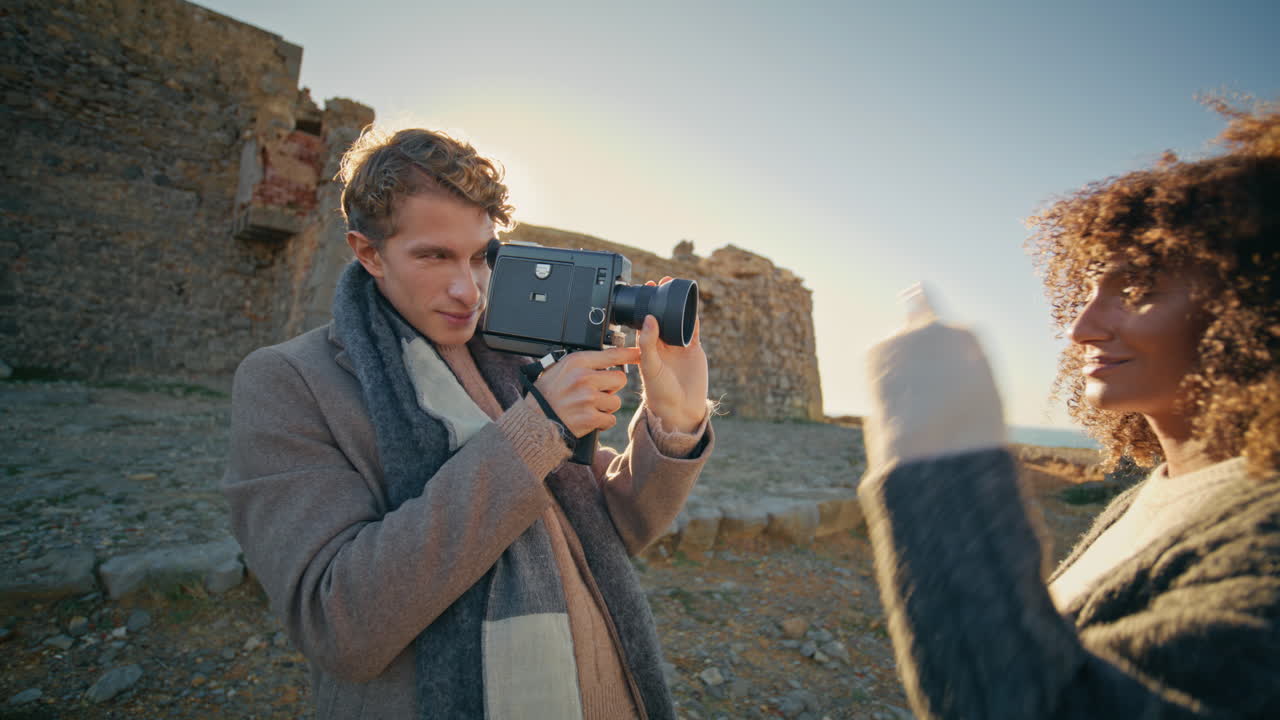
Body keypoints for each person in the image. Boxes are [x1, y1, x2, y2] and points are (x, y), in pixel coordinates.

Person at [222, 127, 714, 719]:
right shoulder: (289, 381)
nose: (468, 291)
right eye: (434, 256)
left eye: (481, 256)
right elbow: (337, 625)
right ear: (368, 253)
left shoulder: (513, 352)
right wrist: (537, 431)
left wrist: (674, 423)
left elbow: (606, 534)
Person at [857, 101, 1279, 718]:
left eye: (1137, 290)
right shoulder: (1157, 495)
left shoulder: (1267, 540)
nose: (1081, 328)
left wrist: (942, 458)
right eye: (1088, 289)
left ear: (1255, 312)